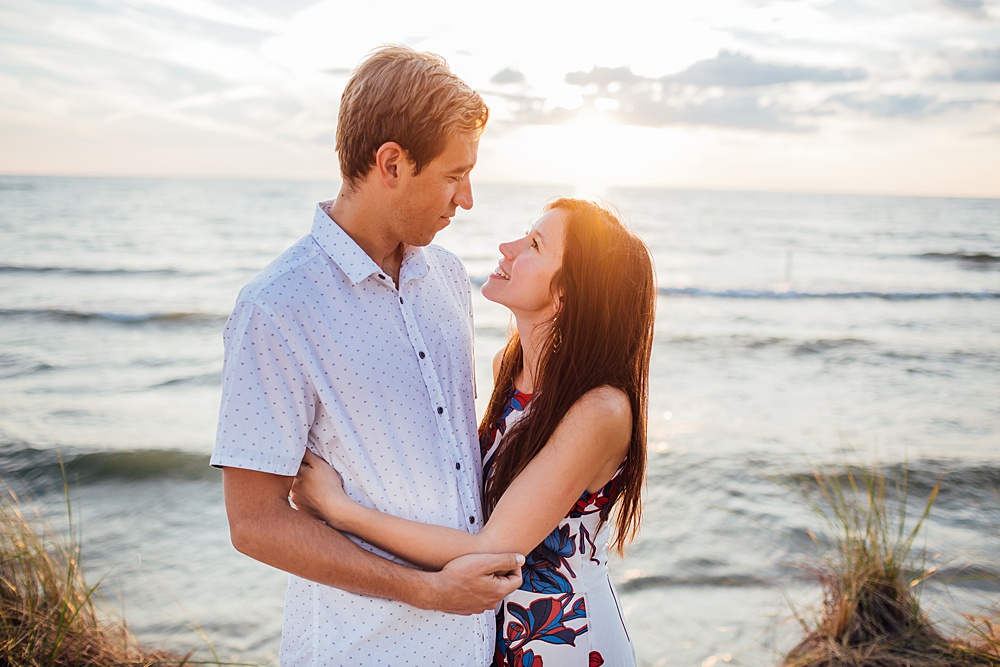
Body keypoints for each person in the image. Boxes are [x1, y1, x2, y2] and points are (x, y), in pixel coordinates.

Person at [211, 45, 524, 666]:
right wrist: (430, 592)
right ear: (391, 163)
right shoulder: (278, 306)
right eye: (454, 174)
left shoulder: (447, 277)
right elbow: (255, 524)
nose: (466, 199)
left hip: (474, 646)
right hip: (359, 650)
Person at [292, 197, 656, 666]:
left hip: (565, 639)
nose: (508, 247)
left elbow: (493, 549)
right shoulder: (512, 366)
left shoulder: (600, 410)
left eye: (534, 245)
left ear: (565, 291)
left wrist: (339, 509)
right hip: (496, 632)